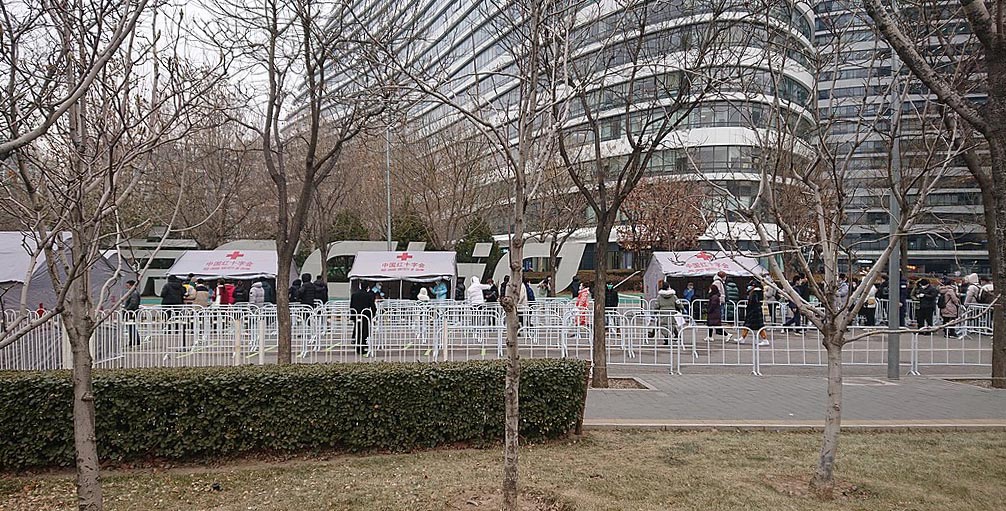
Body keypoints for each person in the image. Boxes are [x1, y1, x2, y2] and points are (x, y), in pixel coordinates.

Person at [738, 280, 769, 346]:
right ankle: (742, 337)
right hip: (755, 310)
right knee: (748, 325)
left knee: (758, 326)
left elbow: (754, 302)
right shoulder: (757, 292)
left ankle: (765, 339)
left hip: (754, 311)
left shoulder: (755, 292)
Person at [349, 282, 377, 355]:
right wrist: (373, 314)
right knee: (365, 331)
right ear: (367, 287)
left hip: (356, 315)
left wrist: (352, 316)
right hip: (365, 315)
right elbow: (372, 306)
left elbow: (351, 306)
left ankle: (358, 347)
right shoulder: (368, 296)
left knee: (358, 331)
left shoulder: (354, 295)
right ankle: (363, 346)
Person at [122, 280, 141, 345]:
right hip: (131, 312)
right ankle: (134, 340)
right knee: (131, 326)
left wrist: (126, 309)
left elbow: (133, 303)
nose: (127, 287)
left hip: (131, 312)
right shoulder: (133, 293)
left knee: (131, 327)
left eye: (128, 285)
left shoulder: (134, 293)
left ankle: (134, 340)